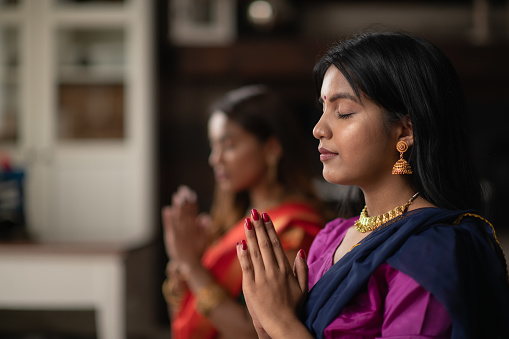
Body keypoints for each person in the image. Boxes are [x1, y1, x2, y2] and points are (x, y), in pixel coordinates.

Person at [236, 31, 509, 338]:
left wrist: (280, 322)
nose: (319, 129)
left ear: (405, 130)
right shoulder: (330, 239)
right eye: (323, 109)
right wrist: (266, 322)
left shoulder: (433, 252)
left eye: (343, 112)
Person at [161, 85, 333, 339]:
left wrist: (193, 267)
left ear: (271, 148)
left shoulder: (293, 228)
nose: (214, 159)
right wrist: (184, 269)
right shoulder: (231, 222)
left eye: (228, 146)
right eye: (213, 147)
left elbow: (255, 330)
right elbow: (186, 321)